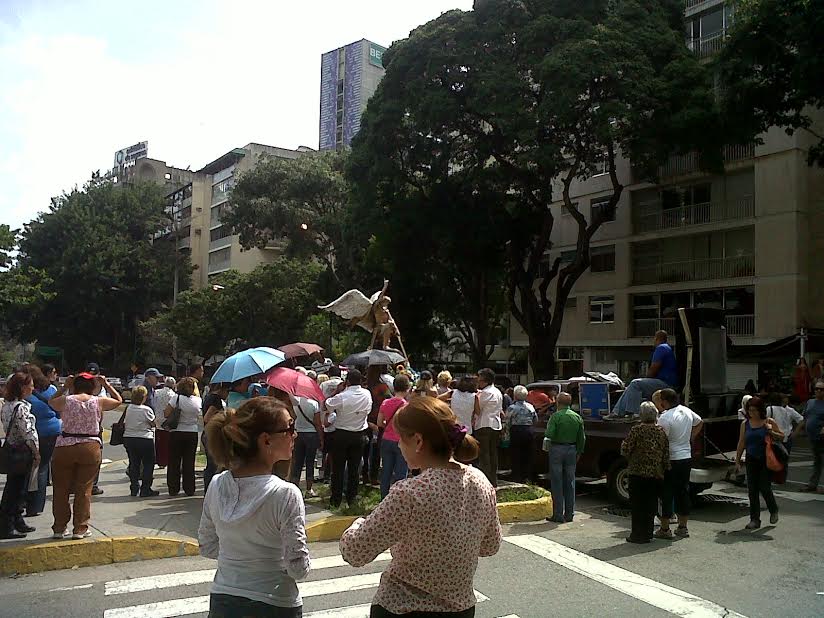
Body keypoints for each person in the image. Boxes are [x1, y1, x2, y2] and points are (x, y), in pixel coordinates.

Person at [340, 396, 501, 617]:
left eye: (400, 439)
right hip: (460, 609)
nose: (398, 444)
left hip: (403, 607)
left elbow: (355, 552)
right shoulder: (480, 481)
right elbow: (490, 546)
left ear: (417, 441)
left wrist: (357, 524)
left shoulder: (410, 494)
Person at [198, 397, 309, 617]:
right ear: (266, 440)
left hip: (223, 601)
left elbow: (207, 546)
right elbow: (298, 568)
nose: (294, 434)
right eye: (289, 428)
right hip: (274, 603)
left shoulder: (217, 484)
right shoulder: (286, 494)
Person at [49, 373, 122, 539]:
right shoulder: (98, 401)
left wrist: (64, 386)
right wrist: (107, 385)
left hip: (65, 445)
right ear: (93, 387)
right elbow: (118, 401)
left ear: (75, 385)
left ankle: (59, 527)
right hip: (89, 445)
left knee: (61, 489)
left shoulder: (66, 400)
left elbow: (51, 402)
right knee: (84, 489)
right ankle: (80, 528)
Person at [655, 388, 702, 539]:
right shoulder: (686, 411)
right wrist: (690, 437)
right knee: (683, 491)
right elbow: (700, 422)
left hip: (671, 458)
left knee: (666, 492)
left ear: (665, 401)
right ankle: (683, 527)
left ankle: (665, 528)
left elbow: (661, 440)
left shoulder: (665, 418)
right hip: (685, 456)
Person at [622, 401, 670, 543]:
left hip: (637, 473)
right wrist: (666, 469)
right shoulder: (661, 431)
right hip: (655, 473)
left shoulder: (636, 430)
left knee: (637, 505)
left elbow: (625, 450)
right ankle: (648, 533)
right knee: (650, 504)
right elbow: (666, 453)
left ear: (641, 415)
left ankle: (637, 534)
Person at [0, 372, 40, 539]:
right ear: (22, 387)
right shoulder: (21, 407)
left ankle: (17, 521)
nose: (32, 388)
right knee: (16, 489)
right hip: (22, 451)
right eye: (30, 385)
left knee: (15, 487)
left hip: (12, 448)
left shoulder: (7, 405)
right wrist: (36, 451)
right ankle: (6, 525)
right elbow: (27, 432)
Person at [324, 369, 371, 508]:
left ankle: (336, 499)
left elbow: (327, 405)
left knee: (337, 469)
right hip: (359, 433)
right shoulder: (367, 394)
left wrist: (337, 391)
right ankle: (352, 498)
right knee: (354, 469)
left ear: (347, 381)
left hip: (342, 434)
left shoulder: (342, 396)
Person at [735, 396, 782, 529]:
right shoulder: (745, 424)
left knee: (765, 487)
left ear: (760, 410)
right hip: (751, 459)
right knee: (752, 490)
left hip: (765, 459)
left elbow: (782, 436)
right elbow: (741, 442)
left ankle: (773, 509)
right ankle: (755, 519)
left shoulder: (768, 421)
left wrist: (771, 431)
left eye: (755, 410)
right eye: (750, 410)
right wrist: (737, 461)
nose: (752, 413)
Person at [610, 331, 678, 418]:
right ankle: (616, 412)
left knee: (636, 383)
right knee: (630, 387)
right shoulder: (667, 348)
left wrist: (645, 379)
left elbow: (654, 368)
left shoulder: (661, 348)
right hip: (665, 382)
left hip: (665, 383)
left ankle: (635, 414)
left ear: (657, 339)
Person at [24, 365, 60, 517]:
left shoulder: (26, 394)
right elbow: (59, 410)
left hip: (33, 432)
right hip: (52, 430)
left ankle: (28, 501)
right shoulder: (51, 389)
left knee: (29, 468)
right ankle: (37, 505)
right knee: (43, 467)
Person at [544, 392, 585, 523]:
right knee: (570, 482)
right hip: (572, 449)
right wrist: (579, 452)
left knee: (557, 482)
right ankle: (569, 513)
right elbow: (582, 438)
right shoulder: (577, 417)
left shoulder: (555, 417)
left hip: (557, 449)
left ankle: (558, 514)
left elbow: (549, 434)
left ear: (557, 402)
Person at [164, 377, 202, 496]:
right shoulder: (198, 400)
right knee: (189, 462)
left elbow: (166, 413)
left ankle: (173, 488)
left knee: (174, 461)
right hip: (192, 432)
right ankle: (189, 488)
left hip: (177, 431)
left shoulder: (176, 398)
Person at [377, 374, 410, 499]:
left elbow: (380, 423)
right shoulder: (406, 406)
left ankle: (384, 499)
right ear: (407, 388)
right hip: (401, 441)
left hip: (386, 439)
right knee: (401, 473)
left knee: (386, 471)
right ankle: (399, 499)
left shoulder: (385, 403)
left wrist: (388, 424)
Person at [123, 386, 159, 497]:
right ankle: (146, 488)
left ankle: (134, 487)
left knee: (134, 463)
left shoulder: (128, 408)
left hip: (129, 438)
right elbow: (154, 423)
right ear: (143, 397)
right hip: (144, 438)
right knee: (148, 464)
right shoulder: (146, 410)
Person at [289, 392, 323, 498]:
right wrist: (321, 438)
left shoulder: (294, 402)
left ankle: (295, 487)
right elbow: (317, 423)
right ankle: (309, 489)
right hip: (311, 434)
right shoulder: (314, 404)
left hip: (298, 433)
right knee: (310, 462)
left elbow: (293, 418)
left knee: (297, 463)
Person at [794, 380, 824, 493]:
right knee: (817, 462)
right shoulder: (810, 402)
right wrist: (797, 431)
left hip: (822, 437)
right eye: (817, 389)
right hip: (813, 438)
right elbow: (805, 418)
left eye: (821, 389)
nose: (818, 391)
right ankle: (812, 484)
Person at [475, 368, 503, 486]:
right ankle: (493, 480)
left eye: (480, 380)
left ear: (485, 381)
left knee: (484, 455)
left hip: (484, 424)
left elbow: (478, 409)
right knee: (493, 454)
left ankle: (486, 480)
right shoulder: (497, 391)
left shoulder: (486, 393)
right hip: (495, 424)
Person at [365, 366, 392, 486]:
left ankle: (364, 475)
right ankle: (373, 477)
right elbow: (388, 399)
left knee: (364, 450)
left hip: (365, 419)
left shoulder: (364, 386)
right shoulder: (382, 386)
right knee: (376, 450)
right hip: (378, 419)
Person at [505, 385, 538, 483]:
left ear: (515, 396)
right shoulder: (530, 406)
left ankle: (516, 475)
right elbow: (535, 419)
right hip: (529, 430)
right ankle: (527, 476)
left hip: (516, 430)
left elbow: (507, 421)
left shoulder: (512, 408)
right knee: (528, 454)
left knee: (516, 454)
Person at [202, 382, 229, 494]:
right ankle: (210, 491)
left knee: (212, 464)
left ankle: (209, 490)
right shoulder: (215, 399)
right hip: (211, 433)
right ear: (223, 390)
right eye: (227, 392)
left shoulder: (209, 397)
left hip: (206, 433)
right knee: (213, 465)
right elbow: (207, 417)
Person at [145, 369, 168, 468]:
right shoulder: (144, 390)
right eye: (156, 378)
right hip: (144, 425)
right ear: (148, 378)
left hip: (151, 425)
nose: (158, 380)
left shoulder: (152, 390)